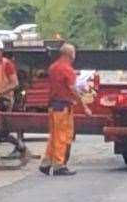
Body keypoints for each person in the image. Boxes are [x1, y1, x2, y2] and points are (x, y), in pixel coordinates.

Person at [39, 43, 91, 176]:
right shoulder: (67, 69)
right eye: (74, 53)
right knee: (62, 136)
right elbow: (73, 89)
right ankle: (59, 165)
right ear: (70, 55)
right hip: (63, 107)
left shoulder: (53, 67)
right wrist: (84, 106)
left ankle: (46, 162)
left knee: (54, 136)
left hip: (52, 106)